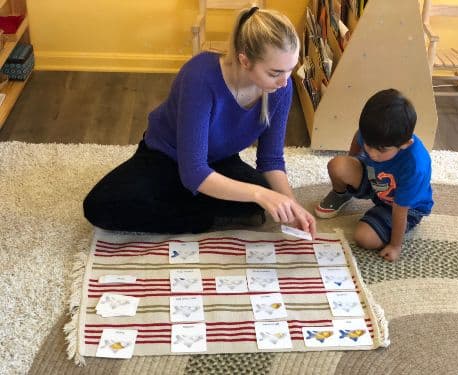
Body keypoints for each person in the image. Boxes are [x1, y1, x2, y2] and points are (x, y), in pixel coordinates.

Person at [83, 7, 316, 237]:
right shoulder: (200, 77)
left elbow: (270, 159)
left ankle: (194, 198)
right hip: (166, 155)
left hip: (218, 159)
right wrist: (257, 194)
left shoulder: (281, 88)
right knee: (100, 206)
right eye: (275, 73)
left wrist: (290, 204)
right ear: (245, 61)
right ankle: (199, 214)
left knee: (267, 201)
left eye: (290, 70)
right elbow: (194, 171)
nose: (285, 82)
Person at [315, 89, 433, 261]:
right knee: (338, 166)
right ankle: (342, 195)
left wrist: (395, 245)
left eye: (381, 150)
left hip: (405, 207)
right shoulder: (373, 134)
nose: (372, 153)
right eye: (369, 145)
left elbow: (400, 210)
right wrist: (353, 160)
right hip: (376, 181)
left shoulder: (415, 166)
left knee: (364, 237)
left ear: (405, 144)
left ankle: (381, 220)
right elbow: (359, 136)